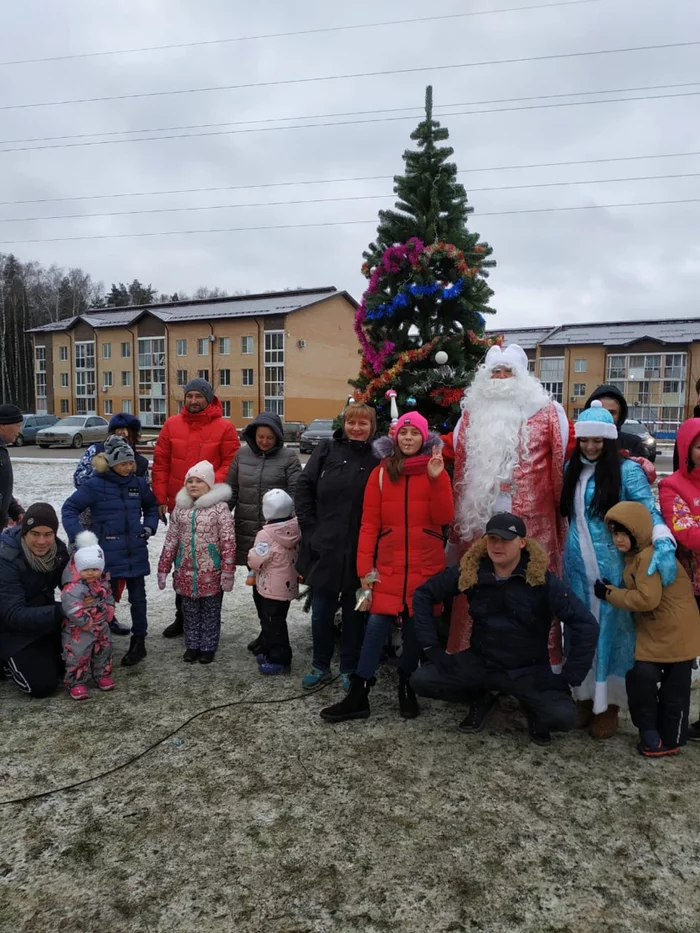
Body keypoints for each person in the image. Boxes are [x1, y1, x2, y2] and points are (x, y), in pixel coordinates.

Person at [411, 513, 598, 745]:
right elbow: (423, 594)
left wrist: (569, 677)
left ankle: (530, 704)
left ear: (522, 542)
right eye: (492, 539)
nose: (497, 545)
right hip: (481, 662)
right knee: (422, 680)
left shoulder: (540, 579)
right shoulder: (473, 571)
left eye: (505, 540)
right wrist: (432, 648)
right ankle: (483, 696)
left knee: (563, 718)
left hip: (527, 670)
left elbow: (586, 625)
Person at [320, 412, 454, 723]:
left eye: (415, 433)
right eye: (403, 433)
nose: (408, 438)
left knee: (414, 630)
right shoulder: (381, 474)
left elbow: (444, 516)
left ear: (424, 438)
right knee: (376, 627)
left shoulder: (434, 470)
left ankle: (407, 686)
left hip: (424, 566)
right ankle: (359, 692)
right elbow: (369, 525)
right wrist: (366, 571)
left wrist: (438, 479)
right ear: (395, 438)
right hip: (388, 567)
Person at [441, 343, 569, 660]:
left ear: (522, 376)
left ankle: (539, 667)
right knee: (477, 591)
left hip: (532, 527)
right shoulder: (470, 418)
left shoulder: (550, 413)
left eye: (507, 371)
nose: (500, 378)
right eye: (495, 372)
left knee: (534, 591)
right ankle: (471, 663)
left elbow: (559, 470)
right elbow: (457, 468)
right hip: (480, 524)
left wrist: (558, 519)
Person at [560, 402, 676, 739]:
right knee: (579, 632)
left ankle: (608, 704)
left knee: (612, 635)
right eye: (585, 440)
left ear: (609, 439)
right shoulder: (572, 467)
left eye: (598, 440)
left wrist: (663, 541)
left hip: (613, 570)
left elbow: (648, 511)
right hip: (577, 569)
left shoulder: (627, 471)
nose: (591, 447)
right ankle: (582, 697)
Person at [596, 502, 700, 756]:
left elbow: (646, 599)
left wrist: (610, 593)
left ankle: (654, 736)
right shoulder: (641, 555)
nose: (618, 540)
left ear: (638, 533)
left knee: (641, 681)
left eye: (623, 534)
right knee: (673, 688)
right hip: (677, 632)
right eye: (614, 534)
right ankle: (670, 737)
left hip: (667, 633)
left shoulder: (647, 558)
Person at [295, 401, 379, 690]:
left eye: (363, 423)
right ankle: (320, 665)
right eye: (352, 422)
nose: (357, 428)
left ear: (372, 427)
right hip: (325, 548)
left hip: (361, 551)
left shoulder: (377, 457)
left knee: (356, 612)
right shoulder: (328, 450)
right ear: (344, 424)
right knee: (321, 611)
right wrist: (310, 528)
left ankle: (348, 667)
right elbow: (304, 486)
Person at [152, 377, 240, 638]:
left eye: (198, 396)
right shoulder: (171, 425)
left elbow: (230, 463)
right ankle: (183, 617)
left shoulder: (225, 427)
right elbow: (160, 463)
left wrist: (206, 490)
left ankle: (210, 621)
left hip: (210, 508)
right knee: (183, 562)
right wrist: (161, 498)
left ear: (209, 398)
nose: (193, 401)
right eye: (189, 396)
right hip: (179, 506)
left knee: (210, 564)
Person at [62, 436, 160, 668]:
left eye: (131, 463)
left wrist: (149, 526)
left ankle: (139, 641)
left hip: (134, 549)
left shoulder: (138, 483)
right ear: (111, 463)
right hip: (106, 553)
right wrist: (84, 539)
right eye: (124, 463)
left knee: (139, 598)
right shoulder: (95, 485)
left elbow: (152, 505)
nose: (129, 466)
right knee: (103, 599)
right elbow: (69, 509)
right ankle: (98, 639)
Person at [226, 412, 301, 653]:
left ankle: (273, 635)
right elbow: (231, 490)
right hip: (249, 532)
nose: (265, 441)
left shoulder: (288, 457)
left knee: (275, 590)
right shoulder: (242, 454)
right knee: (258, 587)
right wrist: (219, 515)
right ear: (253, 435)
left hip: (279, 538)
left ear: (278, 437)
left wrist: (293, 527)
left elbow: (297, 493)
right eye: (260, 437)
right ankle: (266, 631)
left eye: (270, 437)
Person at [72, 411, 149, 637]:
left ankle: (110, 615)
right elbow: (79, 479)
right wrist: (105, 479)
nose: (122, 434)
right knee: (96, 574)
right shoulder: (96, 451)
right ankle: (99, 618)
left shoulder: (137, 460)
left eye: (126, 430)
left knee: (122, 575)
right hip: (92, 519)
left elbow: (143, 490)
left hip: (123, 524)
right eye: (117, 429)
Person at [157, 460, 236, 664]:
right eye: (189, 481)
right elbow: (172, 539)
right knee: (189, 611)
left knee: (210, 611)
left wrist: (227, 571)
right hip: (185, 571)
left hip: (211, 571)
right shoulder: (180, 509)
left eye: (198, 481)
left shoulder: (220, 509)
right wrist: (164, 566)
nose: (193, 485)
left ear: (209, 484)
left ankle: (208, 646)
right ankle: (192, 645)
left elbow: (228, 541)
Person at [658, 416, 700, 742]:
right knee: (682, 658)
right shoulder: (672, 485)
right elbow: (684, 533)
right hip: (690, 588)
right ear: (687, 449)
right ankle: (676, 724)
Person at [0, 503, 69, 697]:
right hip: (9, 627)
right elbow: (12, 614)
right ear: (24, 533)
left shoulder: (59, 552)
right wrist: (63, 611)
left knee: (80, 659)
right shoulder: (6, 557)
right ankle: (5, 662)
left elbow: (71, 586)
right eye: (35, 534)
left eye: (48, 534)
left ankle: (45, 651)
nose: (42, 541)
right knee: (42, 686)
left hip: (41, 615)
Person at [247, 488, 301, 675]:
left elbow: (257, 559)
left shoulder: (266, 534)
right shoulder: (294, 528)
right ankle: (269, 651)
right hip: (287, 586)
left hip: (270, 587)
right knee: (277, 620)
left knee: (273, 624)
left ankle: (280, 660)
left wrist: (250, 556)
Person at [60, 531, 116, 700]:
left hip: (101, 625)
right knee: (78, 656)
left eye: (95, 569)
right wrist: (84, 622)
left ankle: (102, 674)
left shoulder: (103, 581)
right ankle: (76, 682)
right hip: (79, 630)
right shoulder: (73, 587)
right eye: (86, 569)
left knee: (104, 651)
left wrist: (109, 610)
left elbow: (109, 595)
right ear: (78, 568)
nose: (90, 573)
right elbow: (71, 608)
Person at [73, 412, 149, 489]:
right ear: (113, 432)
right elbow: (79, 481)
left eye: (129, 430)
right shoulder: (96, 451)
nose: (125, 433)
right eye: (121, 429)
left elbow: (144, 490)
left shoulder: (141, 462)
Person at [583, 385, 646, 459]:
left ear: (620, 415)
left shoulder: (632, 444)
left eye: (611, 413)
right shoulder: (579, 443)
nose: (605, 416)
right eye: (600, 411)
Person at [0, 404, 25, 530]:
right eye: (18, 426)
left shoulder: (2, 450)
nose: (20, 431)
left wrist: (16, 511)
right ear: (3, 425)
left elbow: (2, 491)